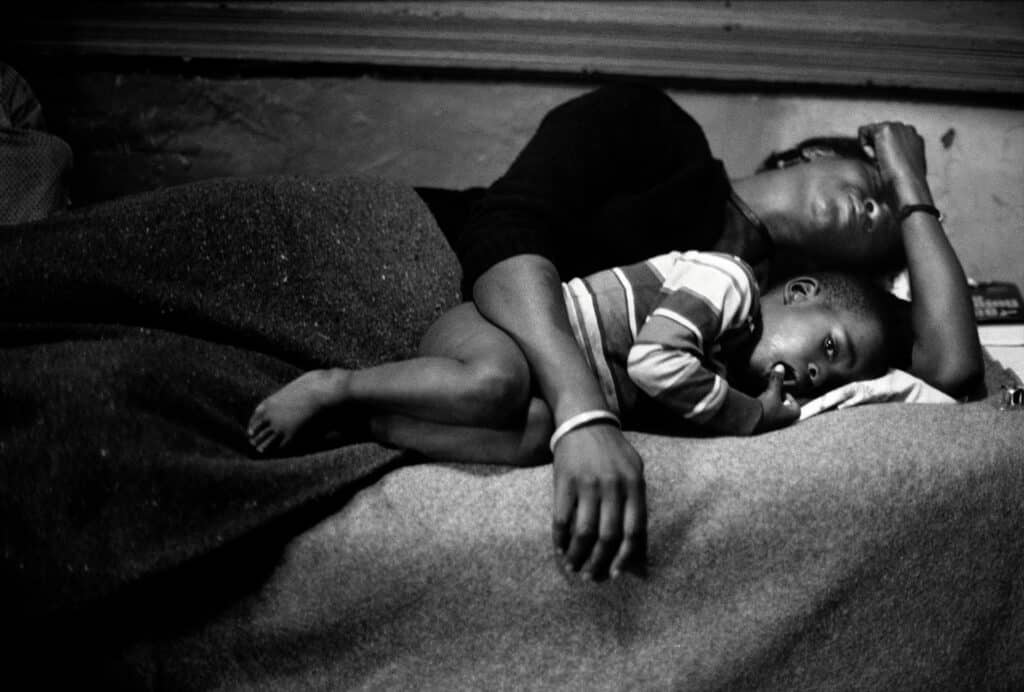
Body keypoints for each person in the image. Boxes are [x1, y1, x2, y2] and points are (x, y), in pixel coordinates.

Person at [281, 83, 982, 582]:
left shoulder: (754, 341)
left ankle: (364, 415)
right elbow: (502, 239)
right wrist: (582, 414)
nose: (878, 206)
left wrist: (912, 186)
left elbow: (952, 370)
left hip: (480, 373)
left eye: (889, 219)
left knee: (517, 422)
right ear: (800, 161)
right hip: (394, 253)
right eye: (871, 181)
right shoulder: (657, 128)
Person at [247, 247, 905, 458]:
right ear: (801, 290)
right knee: (499, 386)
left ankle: (371, 427)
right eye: (828, 344)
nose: (816, 371)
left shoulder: (723, 373)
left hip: (547, 389)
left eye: (828, 376)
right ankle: (336, 385)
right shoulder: (727, 283)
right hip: (498, 329)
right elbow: (655, 360)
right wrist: (751, 417)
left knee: (535, 434)